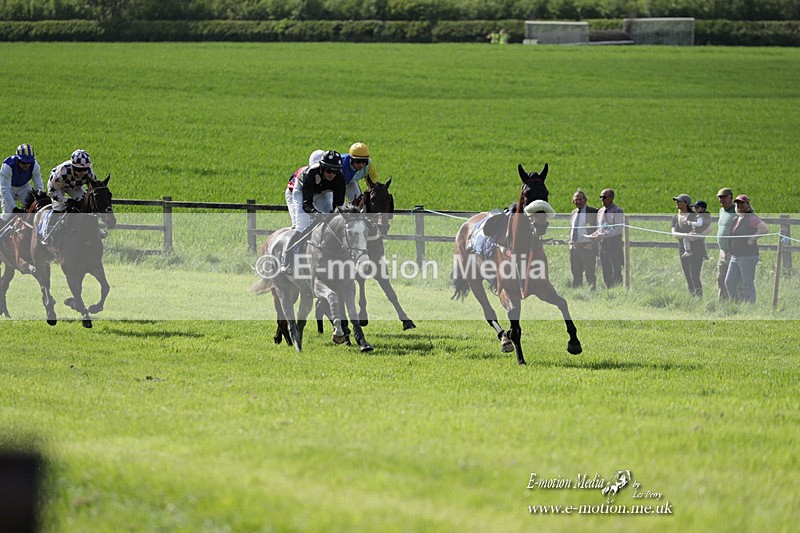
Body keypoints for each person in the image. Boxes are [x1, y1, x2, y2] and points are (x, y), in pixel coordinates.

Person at [280, 150, 345, 273]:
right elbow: (306, 204)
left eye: (335, 171)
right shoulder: (311, 173)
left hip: (322, 193)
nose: (331, 174)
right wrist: (316, 214)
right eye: (328, 170)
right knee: (301, 226)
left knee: (332, 220)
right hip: (301, 191)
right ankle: (286, 260)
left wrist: (331, 216)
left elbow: (338, 206)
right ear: (322, 167)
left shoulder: (340, 179)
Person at [43, 149, 96, 243]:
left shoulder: (90, 173)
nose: (82, 173)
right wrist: (66, 200)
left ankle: (93, 229)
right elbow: (51, 192)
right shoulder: (62, 172)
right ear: (73, 167)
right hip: (58, 187)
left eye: (85, 169)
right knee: (59, 207)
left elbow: (93, 188)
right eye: (79, 170)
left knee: (84, 204)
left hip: (75, 187)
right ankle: (48, 232)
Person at [724, 195, 769, 303]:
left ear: (747, 205)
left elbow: (764, 228)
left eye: (742, 203)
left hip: (748, 256)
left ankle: (750, 307)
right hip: (735, 256)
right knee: (729, 282)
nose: (739, 205)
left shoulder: (751, 217)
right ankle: (736, 304)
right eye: (737, 203)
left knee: (747, 283)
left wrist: (753, 238)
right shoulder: (736, 219)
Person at [0, 143, 45, 239]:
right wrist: (14, 208)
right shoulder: (7, 166)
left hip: (24, 187)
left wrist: (40, 201)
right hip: (9, 189)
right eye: (23, 162)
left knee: (34, 211)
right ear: (17, 159)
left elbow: (39, 186)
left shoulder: (34, 166)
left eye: (29, 162)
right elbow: (5, 190)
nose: (26, 165)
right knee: (8, 214)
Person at [670, 194, 710, 297]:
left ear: (686, 203)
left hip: (696, 249)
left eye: (679, 201)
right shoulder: (675, 218)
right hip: (683, 250)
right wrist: (686, 235)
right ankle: (692, 299)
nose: (677, 203)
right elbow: (674, 234)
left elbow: (709, 228)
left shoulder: (694, 216)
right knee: (688, 276)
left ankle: (699, 299)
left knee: (694, 276)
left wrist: (699, 236)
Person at [588, 189, 624, 288]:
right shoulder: (600, 211)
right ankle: (608, 288)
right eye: (601, 197)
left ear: (611, 198)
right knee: (605, 267)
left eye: (604, 197)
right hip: (602, 244)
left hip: (614, 244)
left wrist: (603, 235)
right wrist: (594, 235)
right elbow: (600, 228)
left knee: (616, 268)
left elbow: (618, 229)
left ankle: (618, 289)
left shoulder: (617, 211)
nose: (602, 199)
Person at [285, 149, 325, 229]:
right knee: (298, 224)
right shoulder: (305, 173)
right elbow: (295, 194)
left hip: (313, 194)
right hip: (294, 194)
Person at [568, 189, 598, 290]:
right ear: (573, 201)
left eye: (580, 199)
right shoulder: (573, 213)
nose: (578, 201)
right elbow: (571, 229)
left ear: (585, 200)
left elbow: (599, 229)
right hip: (574, 248)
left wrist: (593, 244)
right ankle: (577, 294)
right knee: (576, 273)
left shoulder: (593, 212)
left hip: (587, 247)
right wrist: (570, 244)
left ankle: (592, 293)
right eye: (576, 200)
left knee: (590, 273)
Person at [715, 187, 737, 301]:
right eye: (720, 197)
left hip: (733, 251)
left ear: (731, 197)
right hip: (722, 251)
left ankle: (737, 303)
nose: (722, 200)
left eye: (724, 197)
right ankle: (722, 303)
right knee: (720, 278)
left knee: (734, 279)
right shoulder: (721, 211)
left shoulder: (736, 210)